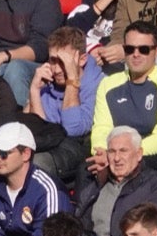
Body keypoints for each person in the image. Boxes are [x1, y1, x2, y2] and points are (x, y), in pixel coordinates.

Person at [90, 20, 157, 168]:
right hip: (115, 155)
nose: (136, 54)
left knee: (137, 171)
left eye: (144, 49)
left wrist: (125, 154)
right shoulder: (108, 84)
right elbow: (102, 127)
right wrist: (102, 152)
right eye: (130, 49)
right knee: (86, 171)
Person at [76, 126, 157, 236]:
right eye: (112, 151)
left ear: (139, 154)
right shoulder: (98, 182)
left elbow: (152, 228)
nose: (117, 158)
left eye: (123, 151)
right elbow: (79, 220)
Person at [27, 26, 103, 183]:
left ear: (82, 59)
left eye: (63, 62)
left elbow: (73, 129)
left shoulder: (98, 84)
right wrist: (34, 91)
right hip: (50, 145)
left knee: (36, 164)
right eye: (52, 61)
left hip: (79, 149)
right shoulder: (48, 84)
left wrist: (72, 81)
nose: (56, 69)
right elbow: (36, 129)